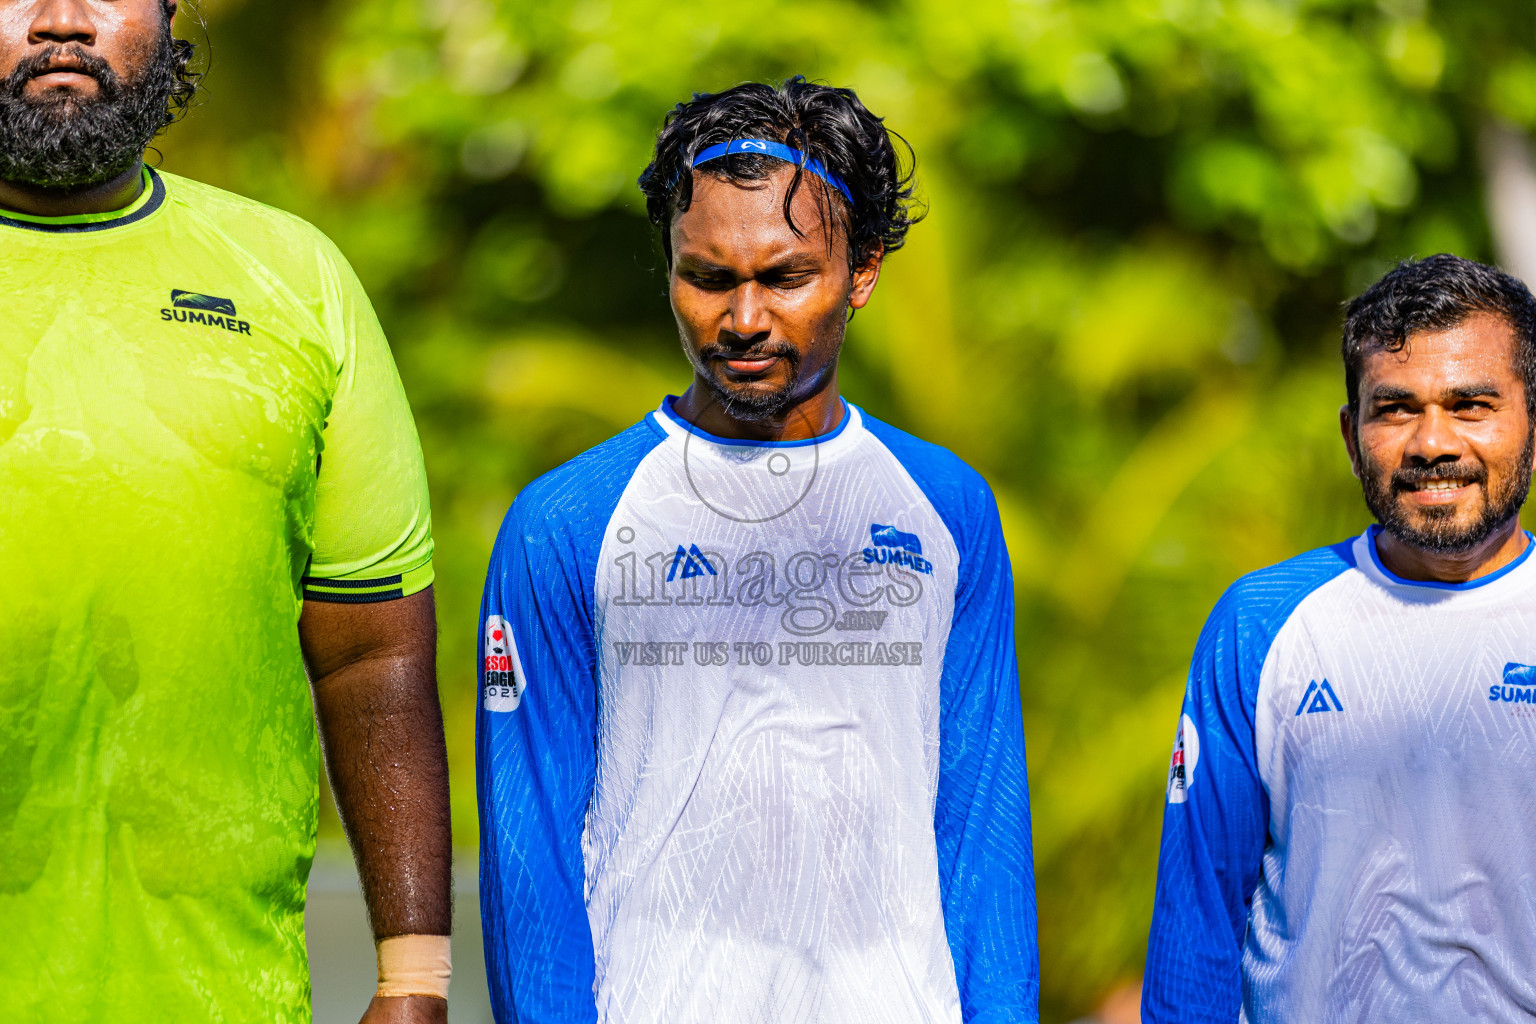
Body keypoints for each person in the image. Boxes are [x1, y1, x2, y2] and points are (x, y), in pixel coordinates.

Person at [476, 78, 1039, 1024]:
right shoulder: (567, 523)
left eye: (784, 277)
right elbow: (526, 855)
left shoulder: (948, 511)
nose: (742, 319)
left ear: (861, 270)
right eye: (707, 278)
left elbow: (981, 834)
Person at [0, 2, 451, 1022]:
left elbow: (373, 658)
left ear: (167, 18)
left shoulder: (296, 280)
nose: (61, 21)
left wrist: (415, 980)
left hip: (223, 994)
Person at [1143, 254, 1536, 1022]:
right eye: (1396, 409)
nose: (1432, 443)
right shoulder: (1261, 623)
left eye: (1470, 404)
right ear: (1352, 435)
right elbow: (1198, 923)